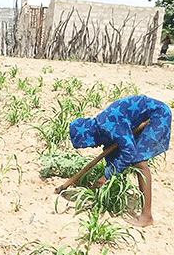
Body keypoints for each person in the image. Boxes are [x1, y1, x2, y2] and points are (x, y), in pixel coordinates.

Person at [69, 95, 172, 227]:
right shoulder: (102, 128)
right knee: (124, 156)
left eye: (88, 144)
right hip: (145, 116)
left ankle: (147, 216)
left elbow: (129, 152)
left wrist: (107, 175)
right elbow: (113, 154)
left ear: (89, 135)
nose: (93, 146)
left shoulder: (108, 125)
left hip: (157, 115)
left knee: (139, 162)